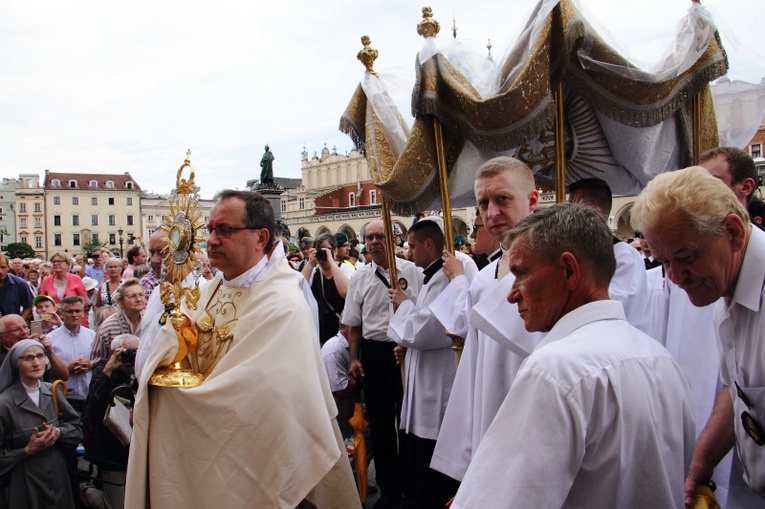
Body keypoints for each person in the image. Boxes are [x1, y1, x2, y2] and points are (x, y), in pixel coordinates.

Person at [451, 204, 695, 508]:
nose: (512, 294)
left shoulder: (554, 371)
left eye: (521, 274)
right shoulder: (664, 361)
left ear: (568, 271)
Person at [126, 189, 359, 508]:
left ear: (260, 237)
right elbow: (166, 355)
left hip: (255, 460)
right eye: (210, 230)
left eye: (224, 230)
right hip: (195, 453)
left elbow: (259, 397)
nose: (211, 240)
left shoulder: (284, 304)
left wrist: (175, 402)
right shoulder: (205, 291)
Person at [631, 165, 765, 503]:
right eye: (663, 262)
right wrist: (702, 461)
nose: (675, 277)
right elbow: (741, 390)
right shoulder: (726, 284)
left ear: (733, 232)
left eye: (685, 256)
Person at [430, 157, 543, 482]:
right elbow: (473, 365)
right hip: (489, 411)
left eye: (502, 199)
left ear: (532, 200)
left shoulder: (552, 265)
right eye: (483, 203)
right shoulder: (483, 277)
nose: (491, 213)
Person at [388, 218, 478, 508]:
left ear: (429, 245)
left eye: (412, 245)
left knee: (431, 469)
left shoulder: (448, 279)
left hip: (437, 385)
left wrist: (404, 306)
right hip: (422, 376)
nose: (408, 251)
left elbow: (428, 330)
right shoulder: (432, 277)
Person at [343, 219, 423, 508]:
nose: (374, 241)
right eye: (369, 237)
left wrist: (410, 340)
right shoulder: (360, 278)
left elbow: (424, 314)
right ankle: (390, 488)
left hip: (407, 352)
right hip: (375, 354)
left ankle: (412, 487)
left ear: (394, 238)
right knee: (381, 426)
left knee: (409, 423)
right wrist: (354, 357)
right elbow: (353, 324)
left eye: (380, 236)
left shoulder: (414, 273)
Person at [0, 339, 82, 509]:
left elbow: (76, 429)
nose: (36, 363)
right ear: (16, 363)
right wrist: (27, 450)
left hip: (58, 479)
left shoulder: (51, 391)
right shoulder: (4, 404)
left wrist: (58, 433)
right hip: (24, 483)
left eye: (40, 356)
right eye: (28, 358)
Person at [568, 178, 653, 336]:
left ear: (595, 212)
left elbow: (611, 303)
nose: (567, 218)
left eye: (573, 210)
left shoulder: (625, 257)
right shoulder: (586, 253)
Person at [80, 333, 138, 509]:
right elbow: (95, 405)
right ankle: (83, 489)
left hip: (136, 446)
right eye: (127, 353)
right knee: (116, 505)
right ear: (114, 352)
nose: (131, 358)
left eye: (136, 352)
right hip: (111, 446)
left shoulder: (143, 368)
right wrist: (109, 369)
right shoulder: (103, 370)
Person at [301, 233, 351, 344]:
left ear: (336, 250)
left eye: (326, 249)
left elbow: (345, 291)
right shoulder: (314, 273)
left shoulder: (345, 269)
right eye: (318, 249)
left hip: (342, 334)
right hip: (319, 333)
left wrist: (331, 262)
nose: (322, 252)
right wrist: (310, 264)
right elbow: (298, 290)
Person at [48, 296, 95, 399]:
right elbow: (45, 369)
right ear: (61, 314)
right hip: (64, 396)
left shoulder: (93, 336)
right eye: (70, 312)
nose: (74, 315)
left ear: (83, 313)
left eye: (77, 311)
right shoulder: (50, 339)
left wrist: (90, 364)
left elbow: (101, 360)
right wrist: (65, 368)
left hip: (89, 394)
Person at [90, 279, 144, 366]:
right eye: (132, 296)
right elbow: (96, 363)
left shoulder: (149, 321)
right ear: (121, 302)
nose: (138, 299)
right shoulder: (108, 327)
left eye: (141, 295)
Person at [0, 254, 34, 320]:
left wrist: (19, 321)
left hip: (12, 326)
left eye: (3, 267)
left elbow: (29, 305)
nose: (0, 271)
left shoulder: (20, 283)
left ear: (8, 267)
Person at [139, 231, 163, 299]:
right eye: (152, 253)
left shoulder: (193, 282)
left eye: (162, 252)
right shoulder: (146, 284)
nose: (154, 260)